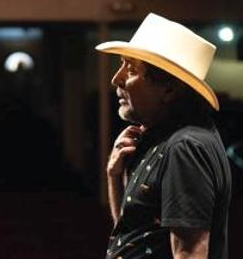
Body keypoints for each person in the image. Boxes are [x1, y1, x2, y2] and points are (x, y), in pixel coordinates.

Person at [96, 13, 231, 259]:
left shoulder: (185, 147)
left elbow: (190, 253)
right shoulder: (164, 138)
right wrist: (114, 176)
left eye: (132, 70)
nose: (117, 79)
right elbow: (132, 233)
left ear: (168, 89)